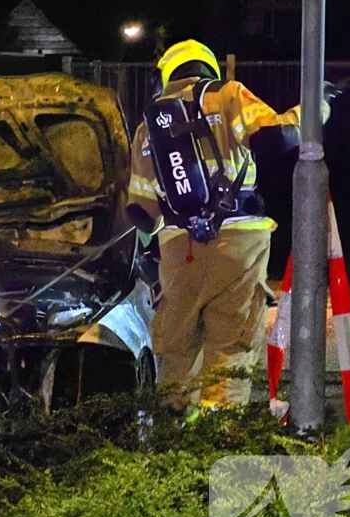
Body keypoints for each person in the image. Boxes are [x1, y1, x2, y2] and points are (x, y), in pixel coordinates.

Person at [127, 39, 333, 414]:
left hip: (179, 252)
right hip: (239, 246)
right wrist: (317, 107)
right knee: (230, 351)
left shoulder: (148, 127)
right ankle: (219, 433)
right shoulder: (228, 95)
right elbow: (277, 136)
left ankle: (174, 435)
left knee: (175, 352)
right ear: (208, 69)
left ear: (165, 77)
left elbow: (142, 214)